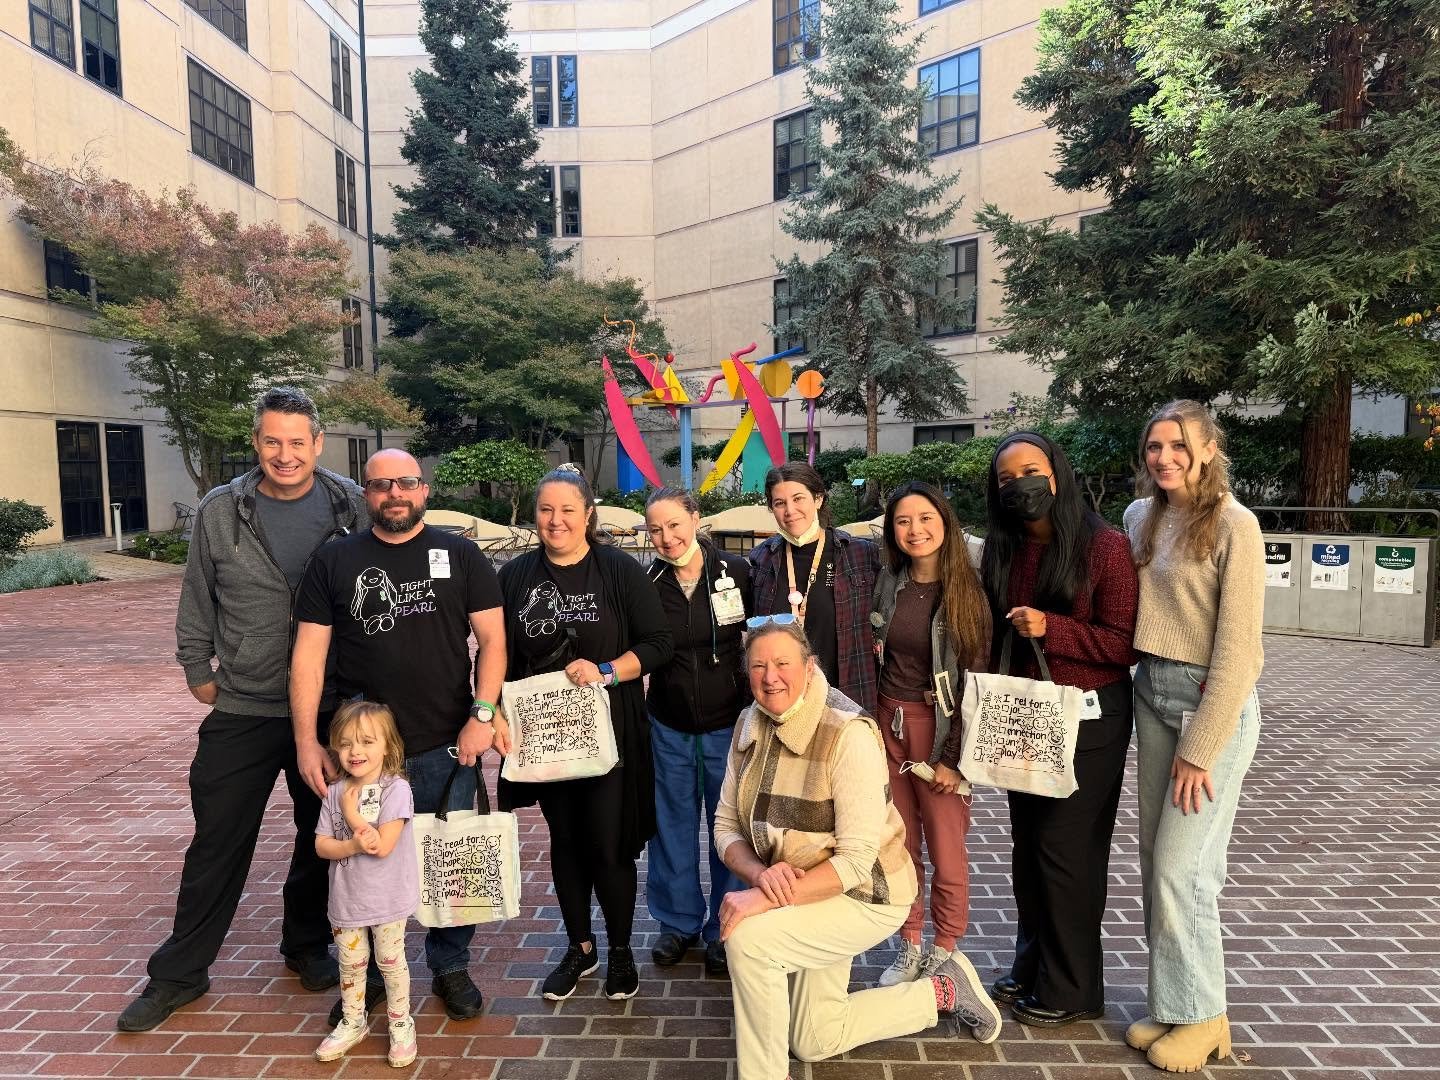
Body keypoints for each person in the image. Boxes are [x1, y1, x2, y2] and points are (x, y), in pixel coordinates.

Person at [118, 387, 365, 1033]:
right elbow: (197, 594)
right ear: (256, 443)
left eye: (297, 441)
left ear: (317, 443)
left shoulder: (349, 506)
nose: (285, 454)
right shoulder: (221, 509)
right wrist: (197, 671)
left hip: (328, 709)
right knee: (217, 842)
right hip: (246, 706)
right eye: (272, 441)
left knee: (324, 838)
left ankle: (306, 945)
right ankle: (179, 973)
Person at [715, 617, 1002, 1080]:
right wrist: (758, 874)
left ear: (809, 667)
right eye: (758, 666)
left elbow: (854, 863)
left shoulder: (847, 732)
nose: (771, 677)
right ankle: (942, 992)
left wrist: (764, 898)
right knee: (814, 1038)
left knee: (750, 940)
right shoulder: (750, 722)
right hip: (805, 888)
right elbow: (725, 824)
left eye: (783, 663)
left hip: (868, 894)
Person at [291, 448, 509, 1026]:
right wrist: (307, 743)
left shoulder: (460, 554)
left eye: (406, 483)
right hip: (364, 756)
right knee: (362, 864)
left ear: (424, 490)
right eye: (382, 484)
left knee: (453, 862)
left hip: (444, 741)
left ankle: (449, 964)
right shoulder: (335, 561)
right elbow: (309, 658)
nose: (395, 494)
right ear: (366, 494)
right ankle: (373, 974)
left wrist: (482, 714)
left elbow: (493, 642)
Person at [978, 432, 1139, 1028]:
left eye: (1031, 469)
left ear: (1057, 473)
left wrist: (1054, 628)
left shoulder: (1105, 547)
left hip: (1089, 719)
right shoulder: (1008, 547)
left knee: (1065, 852)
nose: (1020, 484)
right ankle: (1032, 968)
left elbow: (1124, 645)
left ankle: (1073, 987)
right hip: (1027, 714)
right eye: (1006, 478)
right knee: (1029, 850)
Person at [496, 466, 673, 1001]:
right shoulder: (515, 576)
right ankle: (581, 948)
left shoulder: (619, 570)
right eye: (546, 510)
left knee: (610, 844)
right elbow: (496, 652)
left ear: (588, 513)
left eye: (568, 510)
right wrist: (494, 712)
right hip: (545, 737)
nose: (556, 521)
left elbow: (659, 642)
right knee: (565, 842)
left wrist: (606, 669)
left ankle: (620, 951)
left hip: (610, 738)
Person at [1122, 401, 1263, 1073]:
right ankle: (1178, 1004)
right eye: (1154, 446)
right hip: (1151, 694)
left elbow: (1241, 654)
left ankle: (1205, 1017)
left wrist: (1201, 747)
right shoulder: (1138, 517)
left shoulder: (1238, 526)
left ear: (1208, 448)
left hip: (1212, 705)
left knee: (1186, 869)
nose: (1164, 456)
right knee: (1157, 864)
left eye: (1178, 445)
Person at [870, 481, 991, 985]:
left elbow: (975, 681)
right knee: (897, 843)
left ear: (945, 522)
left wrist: (953, 756)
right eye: (903, 521)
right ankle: (910, 940)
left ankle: (946, 946)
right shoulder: (888, 582)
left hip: (938, 730)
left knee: (946, 847)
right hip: (886, 725)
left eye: (925, 519)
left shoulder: (965, 592)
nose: (915, 530)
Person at [642, 487, 750, 977]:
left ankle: (725, 925)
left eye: (674, 525)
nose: (666, 537)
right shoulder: (647, 582)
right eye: (656, 530)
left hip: (729, 722)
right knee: (672, 826)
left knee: (729, 826)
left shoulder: (737, 571)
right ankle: (678, 921)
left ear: (695, 519)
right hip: (668, 722)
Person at [312, 701, 420, 1068]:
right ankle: (353, 1021)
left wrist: (353, 813)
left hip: (386, 898)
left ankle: (401, 1023)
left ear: (387, 746)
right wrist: (351, 842)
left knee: (390, 963)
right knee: (351, 964)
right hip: (347, 900)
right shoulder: (334, 791)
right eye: (345, 743)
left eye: (367, 742)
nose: (355, 751)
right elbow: (321, 844)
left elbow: (381, 845)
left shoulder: (396, 789)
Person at [750, 462, 880, 714]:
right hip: (782, 700)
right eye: (779, 503)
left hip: (844, 698)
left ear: (818, 499)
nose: (790, 510)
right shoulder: (761, 559)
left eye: (799, 498)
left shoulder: (859, 554)